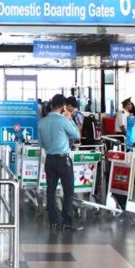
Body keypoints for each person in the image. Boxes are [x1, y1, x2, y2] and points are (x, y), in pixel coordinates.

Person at [37, 94, 82, 232]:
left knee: (51, 190)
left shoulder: (41, 122)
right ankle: (66, 221)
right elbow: (77, 135)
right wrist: (70, 119)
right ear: (63, 107)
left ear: (51, 105)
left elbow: (41, 144)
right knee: (68, 190)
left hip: (49, 159)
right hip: (63, 160)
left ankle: (54, 221)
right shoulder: (63, 121)